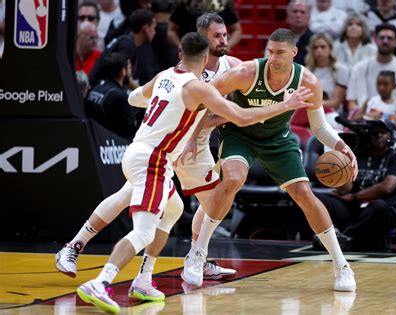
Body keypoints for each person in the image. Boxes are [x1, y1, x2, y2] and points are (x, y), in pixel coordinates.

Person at [75, 31, 313, 314]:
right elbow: (243, 117)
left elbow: (136, 98)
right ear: (205, 60)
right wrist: (286, 105)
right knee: (143, 232)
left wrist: (165, 109)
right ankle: (101, 282)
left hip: (138, 150)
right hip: (155, 160)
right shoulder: (199, 88)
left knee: (173, 210)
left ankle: (143, 279)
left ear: (181, 55)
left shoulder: (165, 75)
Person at [57, 13, 241, 283]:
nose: (224, 40)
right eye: (217, 36)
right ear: (201, 41)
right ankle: (82, 254)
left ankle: (194, 257)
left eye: (225, 34)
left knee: (206, 203)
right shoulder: (183, 73)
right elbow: (233, 114)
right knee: (130, 198)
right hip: (169, 147)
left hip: (191, 147)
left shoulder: (233, 66)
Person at [181, 28, 358, 292]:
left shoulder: (307, 81)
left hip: (278, 138)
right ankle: (198, 253)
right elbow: (201, 99)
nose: (273, 58)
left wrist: (342, 146)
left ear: (294, 53)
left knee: (304, 194)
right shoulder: (246, 73)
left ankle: (341, 265)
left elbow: (319, 127)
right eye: (270, 51)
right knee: (233, 178)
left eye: (280, 53)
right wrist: (192, 137)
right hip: (239, 133)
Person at [315, 119, 396, 251]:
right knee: (317, 198)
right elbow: (346, 189)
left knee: (379, 205)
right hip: (355, 209)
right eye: (375, 132)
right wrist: (342, 159)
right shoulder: (360, 156)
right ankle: (329, 233)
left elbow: (387, 187)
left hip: (382, 211)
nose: (379, 135)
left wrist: (355, 196)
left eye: (383, 132)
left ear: (392, 136)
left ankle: (344, 236)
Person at [346, 23, 396, 112]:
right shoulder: (359, 68)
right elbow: (351, 103)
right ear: (375, 40)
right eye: (382, 38)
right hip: (363, 119)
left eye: (390, 38)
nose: (385, 41)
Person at [84, 52, 139, 140]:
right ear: (122, 71)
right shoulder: (120, 96)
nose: (130, 71)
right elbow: (132, 128)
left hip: (92, 137)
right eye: (129, 68)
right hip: (111, 144)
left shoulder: (96, 86)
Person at [167, 0, 242, 50]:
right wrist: (180, 46)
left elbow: (237, 30)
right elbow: (171, 30)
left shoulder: (224, 3)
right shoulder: (184, 2)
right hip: (190, 52)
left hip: (216, 53)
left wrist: (227, 46)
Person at [305, 32, 349, 111]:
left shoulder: (341, 70)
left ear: (330, 48)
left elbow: (336, 102)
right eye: (315, 47)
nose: (319, 50)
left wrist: (311, 105)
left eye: (323, 47)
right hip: (308, 112)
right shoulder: (306, 71)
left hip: (333, 113)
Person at [285, 0, 313, 66]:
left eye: (302, 12)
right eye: (295, 11)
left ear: (309, 18)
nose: (298, 15)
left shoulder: (314, 40)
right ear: (288, 16)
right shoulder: (278, 38)